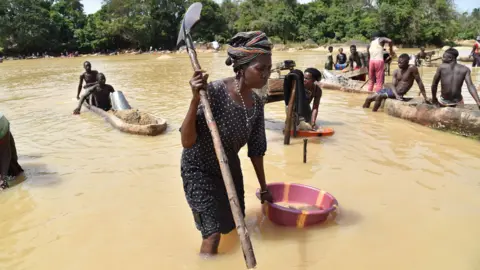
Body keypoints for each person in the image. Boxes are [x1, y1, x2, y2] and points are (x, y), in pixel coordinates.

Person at [180, 31, 273, 255]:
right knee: (212, 235)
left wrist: (263, 187)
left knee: (233, 226)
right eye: (261, 69)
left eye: (269, 69)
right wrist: (194, 99)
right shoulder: (213, 91)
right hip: (199, 168)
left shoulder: (257, 104)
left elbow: (256, 149)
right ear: (241, 68)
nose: (266, 75)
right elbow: (186, 140)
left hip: (228, 168)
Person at [363, 54, 428, 112]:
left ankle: (374, 113)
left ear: (407, 62)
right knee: (368, 98)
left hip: (399, 93)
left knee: (379, 96)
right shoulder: (396, 71)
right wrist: (395, 94)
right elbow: (392, 85)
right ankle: (366, 113)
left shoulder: (412, 68)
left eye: (401, 63)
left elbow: (419, 82)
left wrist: (425, 97)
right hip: (393, 92)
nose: (399, 64)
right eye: (398, 62)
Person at [0, 113, 24, 190]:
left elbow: (5, 154)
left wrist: (3, 179)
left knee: (13, 167)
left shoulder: (1, 126)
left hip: (2, 126)